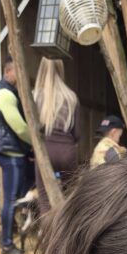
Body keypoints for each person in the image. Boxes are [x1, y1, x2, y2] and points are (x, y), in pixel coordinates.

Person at [0, 56, 33, 254]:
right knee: (11, 199)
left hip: (12, 152)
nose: (21, 74)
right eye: (17, 70)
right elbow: (19, 127)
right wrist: (35, 142)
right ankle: (6, 245)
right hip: (12, 153)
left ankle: (10, 238)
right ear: (8, 72)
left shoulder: (7, 92)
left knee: (16, 197)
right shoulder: (4, 94)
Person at [32, 58, 80, 214]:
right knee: (71, 198)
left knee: (44, 200)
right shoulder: (71, 97)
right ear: (61, 69)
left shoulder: (35, 96)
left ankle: (49, 228)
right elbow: (77, 133)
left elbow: (31, 129)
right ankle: (70, 228)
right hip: (67, 151)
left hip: (45, 151)